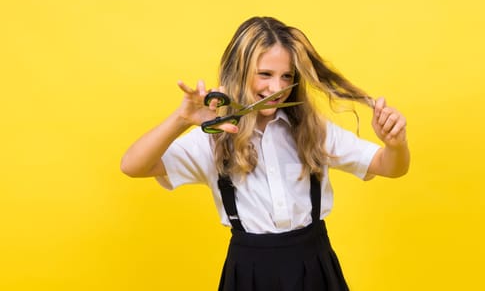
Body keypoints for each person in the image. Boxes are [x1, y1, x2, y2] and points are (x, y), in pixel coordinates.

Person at [120, 16, 410, 291]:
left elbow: (390, 167)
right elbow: (133, 165)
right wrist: (181, 120)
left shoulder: (313, 130)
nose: (278, 87)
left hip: (315, 269)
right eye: (265, 74)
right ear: (238, 72)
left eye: (287, 76)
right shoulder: (214, 139)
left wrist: (395, 145)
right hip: (249, 274)